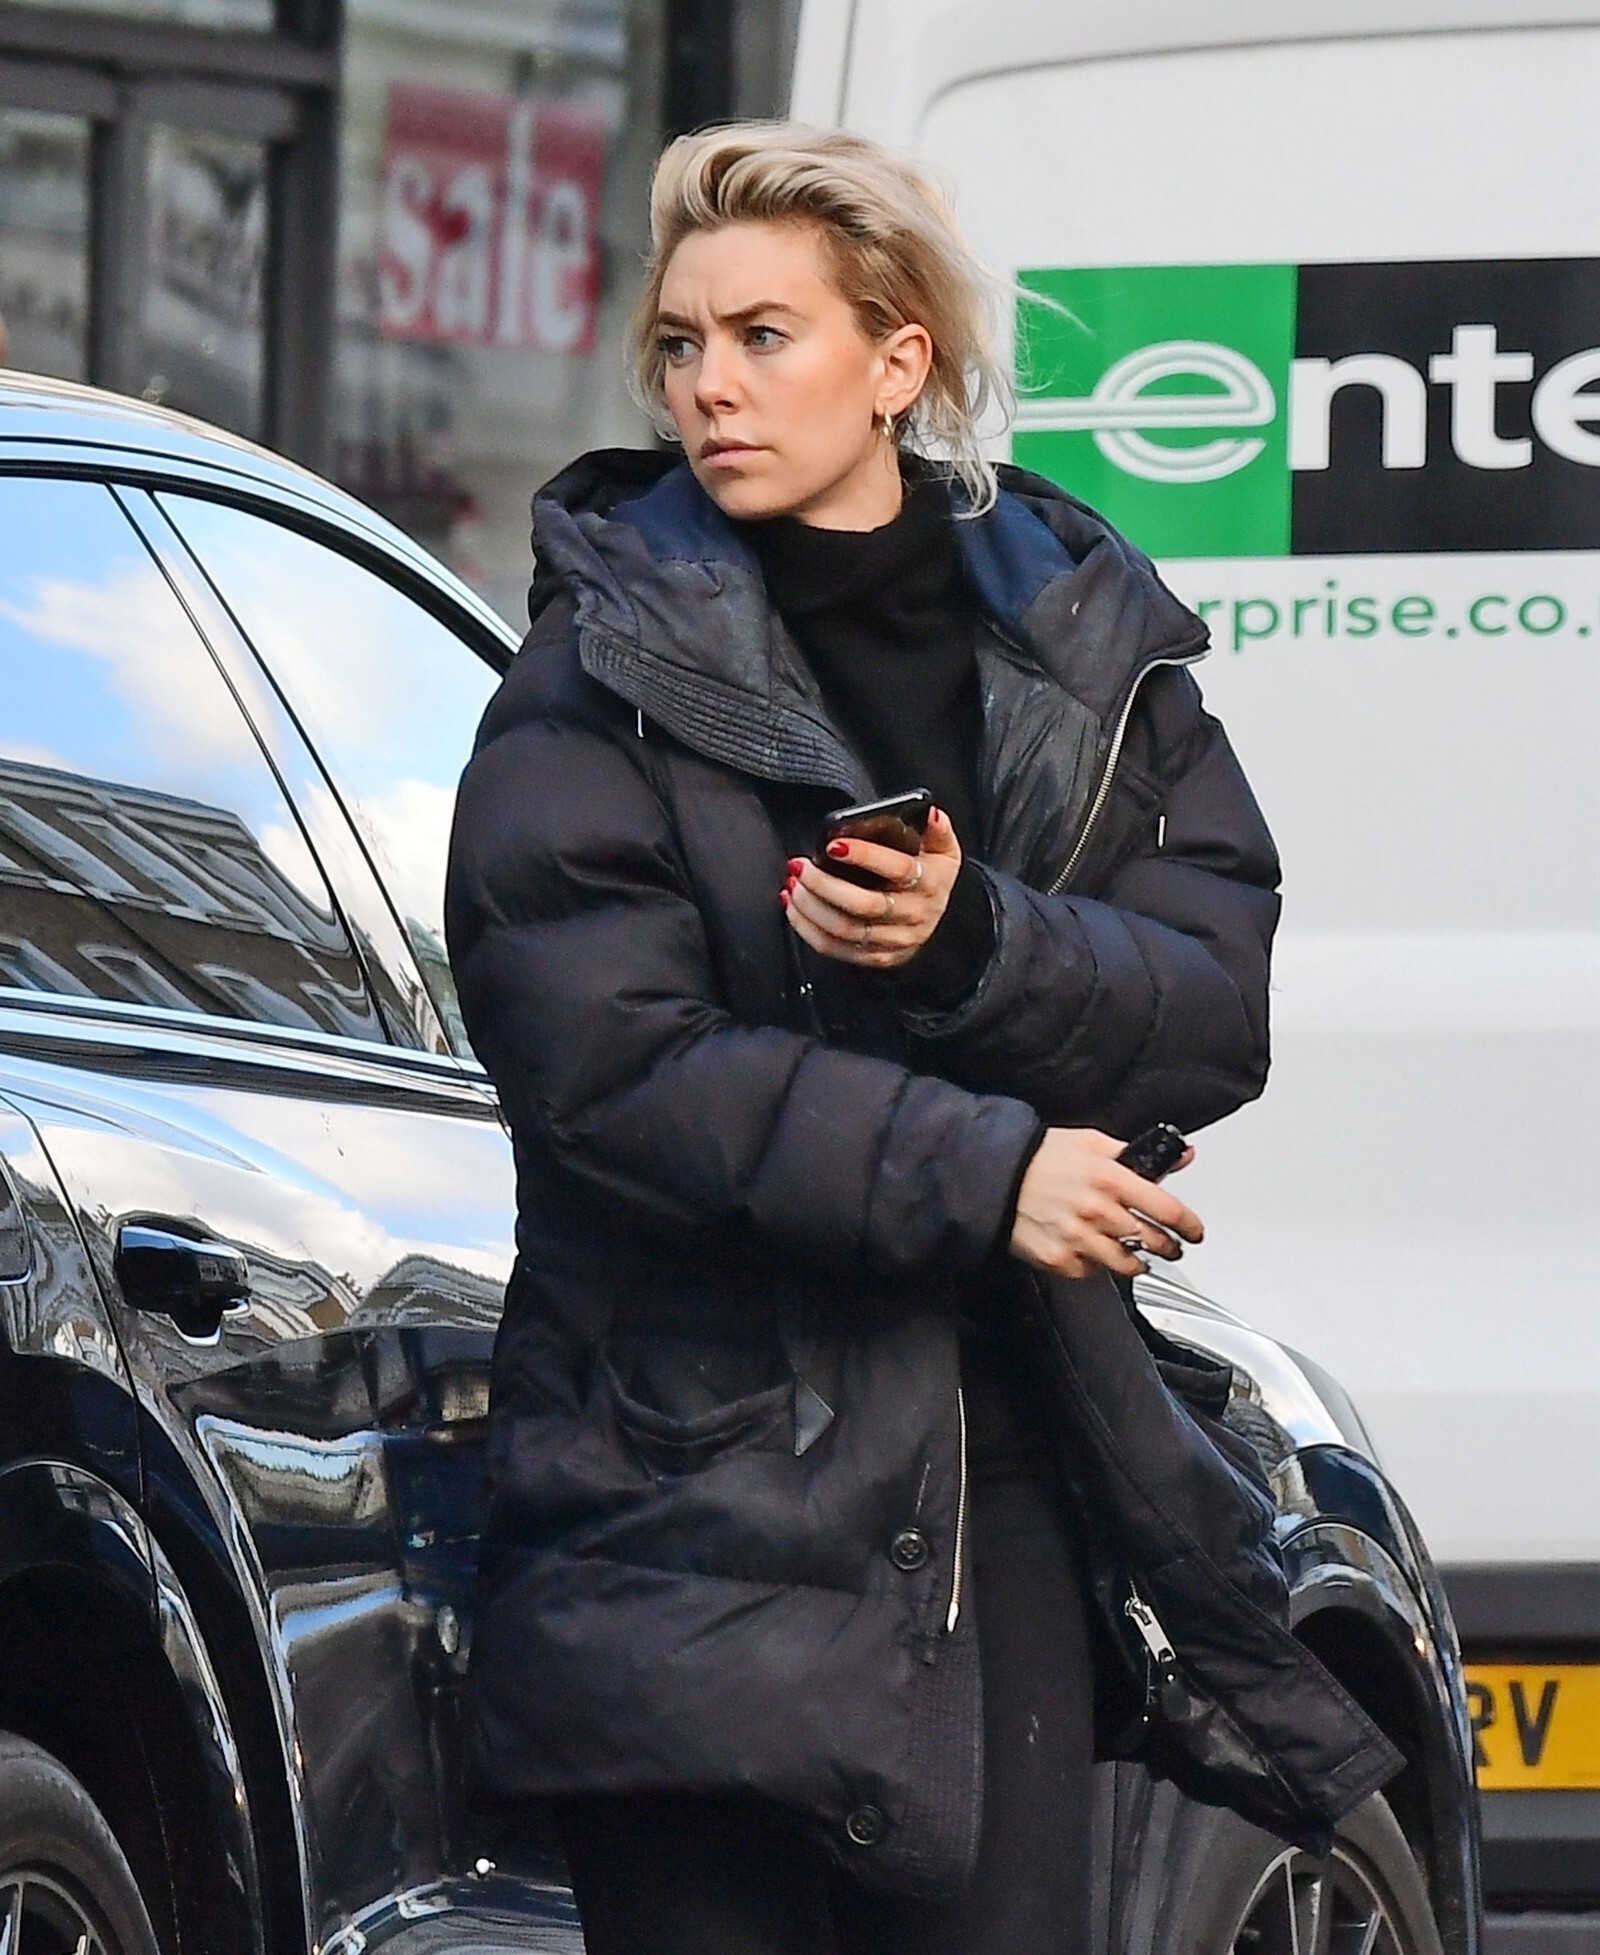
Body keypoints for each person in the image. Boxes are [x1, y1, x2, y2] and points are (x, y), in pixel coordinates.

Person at [445, 124, 1283, 1955]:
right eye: (682, 344)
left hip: (1006, 1479)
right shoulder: (591, 680)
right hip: (689, 1492)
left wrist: (979, 945)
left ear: (898, 361)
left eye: (765, 337)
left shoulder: (1081, 647)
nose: (710, 387)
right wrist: (995, 1170)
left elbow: (1214, 1007)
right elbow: (611, 1074)